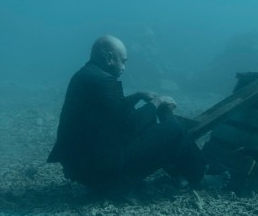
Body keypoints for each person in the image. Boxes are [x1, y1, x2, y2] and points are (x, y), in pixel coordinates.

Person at [47, 35, 206, 194]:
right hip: (99, 172)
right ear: (109, 58)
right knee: (174, 129)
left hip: (81, 168)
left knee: (151, 124)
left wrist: (137, 95)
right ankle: (198, 177)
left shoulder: (85, 75)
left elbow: (112, 112)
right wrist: (157, 102)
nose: (124, 67)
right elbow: (131, 125)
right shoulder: (104, 81)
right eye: (123, 61)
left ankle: (179, 175)